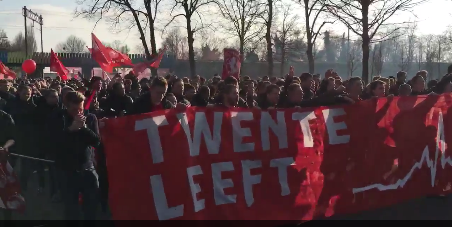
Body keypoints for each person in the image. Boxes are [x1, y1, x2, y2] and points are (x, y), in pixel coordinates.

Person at [49, 91, 101, 220]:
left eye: (81, 109)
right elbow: (53, 142)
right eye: (74, 109)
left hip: (87, 168)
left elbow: (96, 141)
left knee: (91, 208)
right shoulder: (57, 118)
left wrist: (84, 128)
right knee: (72, 210)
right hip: (67, 170)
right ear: (66, 106)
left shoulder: (90, 117)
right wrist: (70, 130)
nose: (78, 112)